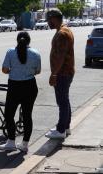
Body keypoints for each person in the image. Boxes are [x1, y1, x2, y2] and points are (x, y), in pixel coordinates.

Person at [0, 32, 41, 152]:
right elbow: (38, 71)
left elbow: (5, 70)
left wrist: (15, 70)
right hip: (30, 86)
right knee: (27, 115)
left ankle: (11, 142)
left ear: (17, 40)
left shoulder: (10, 52)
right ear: (29, 41)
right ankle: (25, 144)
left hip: (14, 86)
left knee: (9, 114)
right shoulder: (35, 53)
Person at [45, 8, 75, 139]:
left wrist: (54, 74)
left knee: (62, 101)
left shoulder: (62, 33)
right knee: (65, 100)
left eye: (49, 20)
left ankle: (61, 130)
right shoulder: (64, 30)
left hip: (62, 73)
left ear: (54, 18)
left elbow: (61, 57)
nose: (48, 23)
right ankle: (65, 127)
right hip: (65, 72)